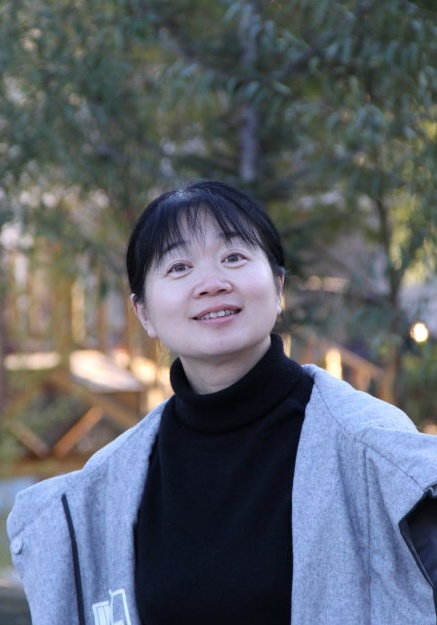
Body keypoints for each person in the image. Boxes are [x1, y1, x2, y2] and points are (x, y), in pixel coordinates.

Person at [7, 180, 437, 625]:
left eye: (234, 257)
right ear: (144, 313)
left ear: (279, 286)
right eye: (179, 267)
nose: (211, 283)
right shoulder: (102, 491)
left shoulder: (377, 452)